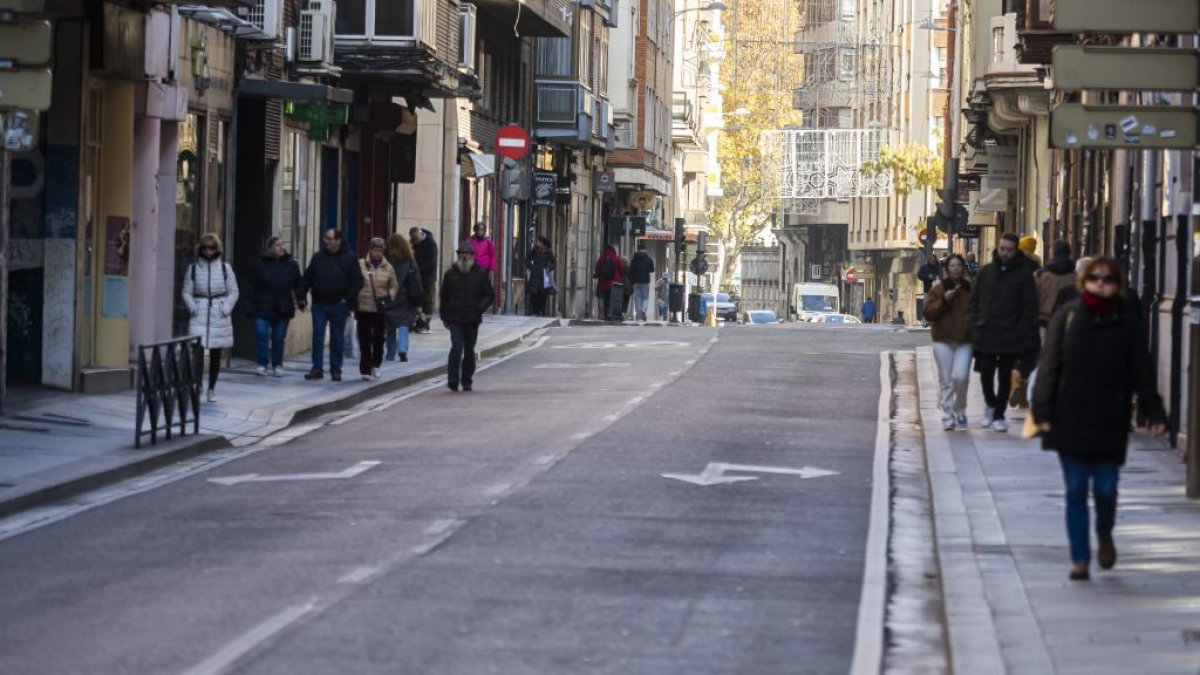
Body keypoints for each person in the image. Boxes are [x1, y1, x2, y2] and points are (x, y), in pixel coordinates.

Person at [1031, 257, 1167, 581]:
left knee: (1106, 490)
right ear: (1085, 282)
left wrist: (1154, 411)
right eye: (1096, 278)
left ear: (1117, 284)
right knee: (1076, 489)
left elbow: (1141, 371)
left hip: (1110, 417)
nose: (1102, 283)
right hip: (1070, 416)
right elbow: (1049, 366)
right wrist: (1043, 411)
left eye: (1108, 279)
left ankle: (1104, 533)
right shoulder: (1068, 316)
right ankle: (1080, 558)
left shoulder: (1127, 322)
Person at [968, 232, 1038, 433]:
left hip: (1011, 333)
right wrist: (974, 326)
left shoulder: (1024, 276)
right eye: (1002, 249)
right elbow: (974, 301)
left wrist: (1021, 330)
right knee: (986, 373)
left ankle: (999, 414)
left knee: (1005, 376)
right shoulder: (986, 272)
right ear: (997, 248)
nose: (1005, 253)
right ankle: (990, 404)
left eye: (1009, 249)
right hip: (987, 331)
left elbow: (1029, 306)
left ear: (1015, 251)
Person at [182, 233, 239, 403]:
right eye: (205, 248)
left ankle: (211, 388)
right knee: (197, 353)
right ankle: (198, 385)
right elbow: (186, 292)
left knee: (215, 355)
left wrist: (225, 308)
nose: (208, 251)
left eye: (211, 248)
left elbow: (234, 292)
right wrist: (193, 307)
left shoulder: (224, 268)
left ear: (217, 249)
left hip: (218, 315)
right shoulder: (193, 268)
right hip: (199, 314)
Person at [300, 229, 363, 382]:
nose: (325, 241)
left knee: (337, 337)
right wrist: (301, 295)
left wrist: (347, 298)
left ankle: (336, 369)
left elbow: (358, 281)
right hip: (320, 303)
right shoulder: (318, 257)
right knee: (318, 336)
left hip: (339, 304)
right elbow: (307, 278)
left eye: (329, 238)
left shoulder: (350, 258)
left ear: (338, 240)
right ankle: (317, 368)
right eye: (325, 238)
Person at [923, 254, 973, 431]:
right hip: (942, 339)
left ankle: (960, 410)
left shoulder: (970, 290)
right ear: (947, 269)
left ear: (963, 268)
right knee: (946, 379)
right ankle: (948, 414)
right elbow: (928, 312)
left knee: (961, 377)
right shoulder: (938, 289)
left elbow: (978, 311)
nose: (956, 268)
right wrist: (944, 301)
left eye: (959, 265)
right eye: (952, 265)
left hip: (964, 340)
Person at [440, 240, 495, 391]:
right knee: (457, 346)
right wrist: (444, 316)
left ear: (473, 256)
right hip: (455, 317)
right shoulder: (450, 274)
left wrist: (479, 308)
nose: (464, 256)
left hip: (472, 318)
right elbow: (444, 296)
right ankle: (452, 378)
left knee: (469, 348)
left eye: (467, 254)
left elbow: (489, 295)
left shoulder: (481, 274)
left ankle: (466, 379)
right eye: (462, 254)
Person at [244, 236, 303, 377]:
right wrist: (247, 304)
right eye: (278, 245)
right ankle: (262, 363)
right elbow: (250, 286)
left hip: (281, 307)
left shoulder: (291, 264)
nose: (282, 247)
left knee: (278, 338)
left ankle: (277, 364)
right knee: (261, 334)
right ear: (270, 248)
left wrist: (302, 299)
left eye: (283, 244)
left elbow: (298, 284)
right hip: (261, 306)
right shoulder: (260, 265)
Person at [355, 238, 398, 381]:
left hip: (380, 309)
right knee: (364, 339)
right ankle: (365, 369)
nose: (377, 254)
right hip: (364, 307)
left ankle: (377, 364)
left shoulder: (388, 267)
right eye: (375, 250)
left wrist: (389, 297)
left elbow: (394, 285)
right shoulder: (361, 264)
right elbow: (354, 281)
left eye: (380, 251)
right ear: (370, 250)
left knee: (378, 339)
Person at [384, 233, 424, 363]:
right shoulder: (410, 261)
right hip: (405, 298)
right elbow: (416, 281)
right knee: (403, 325)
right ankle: (402, 349)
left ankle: (390, 353)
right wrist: (418, 301)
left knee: (390, 326)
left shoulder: (386, 260)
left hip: (390, 297)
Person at [1035, 240, 1076, 328]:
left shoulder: (1040, 275)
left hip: (1044, 319)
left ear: (1052, 253)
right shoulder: (1076, 277)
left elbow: (1033, 297)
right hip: (1068, 320)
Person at [409, 227, 438, 333]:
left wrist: (417, 269)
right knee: (416, 299)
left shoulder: (431, 244)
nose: (415, 242)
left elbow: (431, 264)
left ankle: (424, 325)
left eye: (416, 239)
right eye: (413, 239)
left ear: (421, 234)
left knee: (427, 301)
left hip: (427, 278)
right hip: (416, 277)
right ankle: (415, 322)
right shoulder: (413, 243)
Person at [525, 236, 556, 317]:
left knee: (543, 294)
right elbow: (527, 258)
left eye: (538, 242)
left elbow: (553, 262)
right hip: (535, 275)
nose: (537, 243)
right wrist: (531, 267)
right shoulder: (534, 251)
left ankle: (541, 310)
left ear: (542, 243)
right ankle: (535, 311)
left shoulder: (548, 252)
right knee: (534, 294)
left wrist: (548, 268)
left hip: (544, 276)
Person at [594, 245, 625, 320]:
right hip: (615, 282)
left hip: (604, 282)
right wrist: (620, 278)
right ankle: (612, 312)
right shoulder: (617, 258)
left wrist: (599, 276)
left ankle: (605, 312)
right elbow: (621, 270)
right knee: (614, 298)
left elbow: (597, 268)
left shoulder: (602, 258)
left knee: (605, 297)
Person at [628, 242, 655, 321]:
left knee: (637, 298)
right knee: (645, 297)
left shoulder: (634, 259)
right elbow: (652, 269)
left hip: (636, 281)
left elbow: (631, 270)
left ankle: (639, 315)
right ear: (645, 250)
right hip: (645, 281)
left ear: (638, 249)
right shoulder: (648, 259)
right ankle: (644, 309)